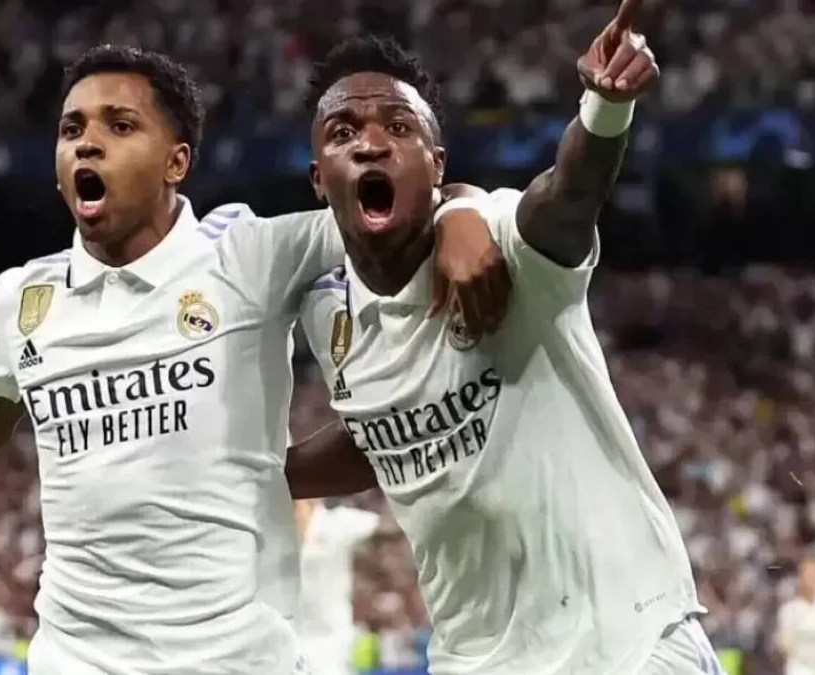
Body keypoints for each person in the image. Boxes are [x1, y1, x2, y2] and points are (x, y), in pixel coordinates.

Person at [0, 44, 505, 675]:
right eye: (72, 128)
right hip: (73, 658)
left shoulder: (249, 253)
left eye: (120, 124)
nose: (88, 142)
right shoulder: (25, 296)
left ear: (176, 162)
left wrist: (464, 211)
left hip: (235, 659)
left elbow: (404, 197)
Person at [297, 15, 727, 675]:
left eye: (400, 128)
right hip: (475, 659)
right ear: (317, 177)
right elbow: (383, 431)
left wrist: (603, 110)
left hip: (624, 643)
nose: (372, 144)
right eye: (343, 132)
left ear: (438, 165)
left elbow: (566, 200)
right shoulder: (327, 310)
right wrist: (255, 473)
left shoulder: (496, 239)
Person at [293, 498, 383, 675]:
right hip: (290, 640)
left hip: (332, 642)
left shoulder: (339, 522)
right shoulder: (273, 530)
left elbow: (388, 526)